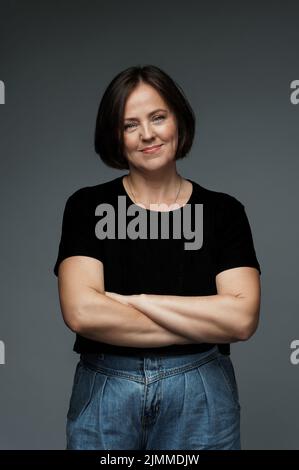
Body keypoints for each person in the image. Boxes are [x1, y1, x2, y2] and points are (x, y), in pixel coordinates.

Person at [53, 65, 261, 450]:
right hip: (107, 388)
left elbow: (242, 320)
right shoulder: (87, 206)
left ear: (178, 120)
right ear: (115, 136)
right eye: (130, 124)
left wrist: (138, 301)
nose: (147, 134)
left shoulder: (223, 211)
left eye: (157, 117)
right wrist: (203, 319)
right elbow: (82, 313)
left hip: (201, 390)